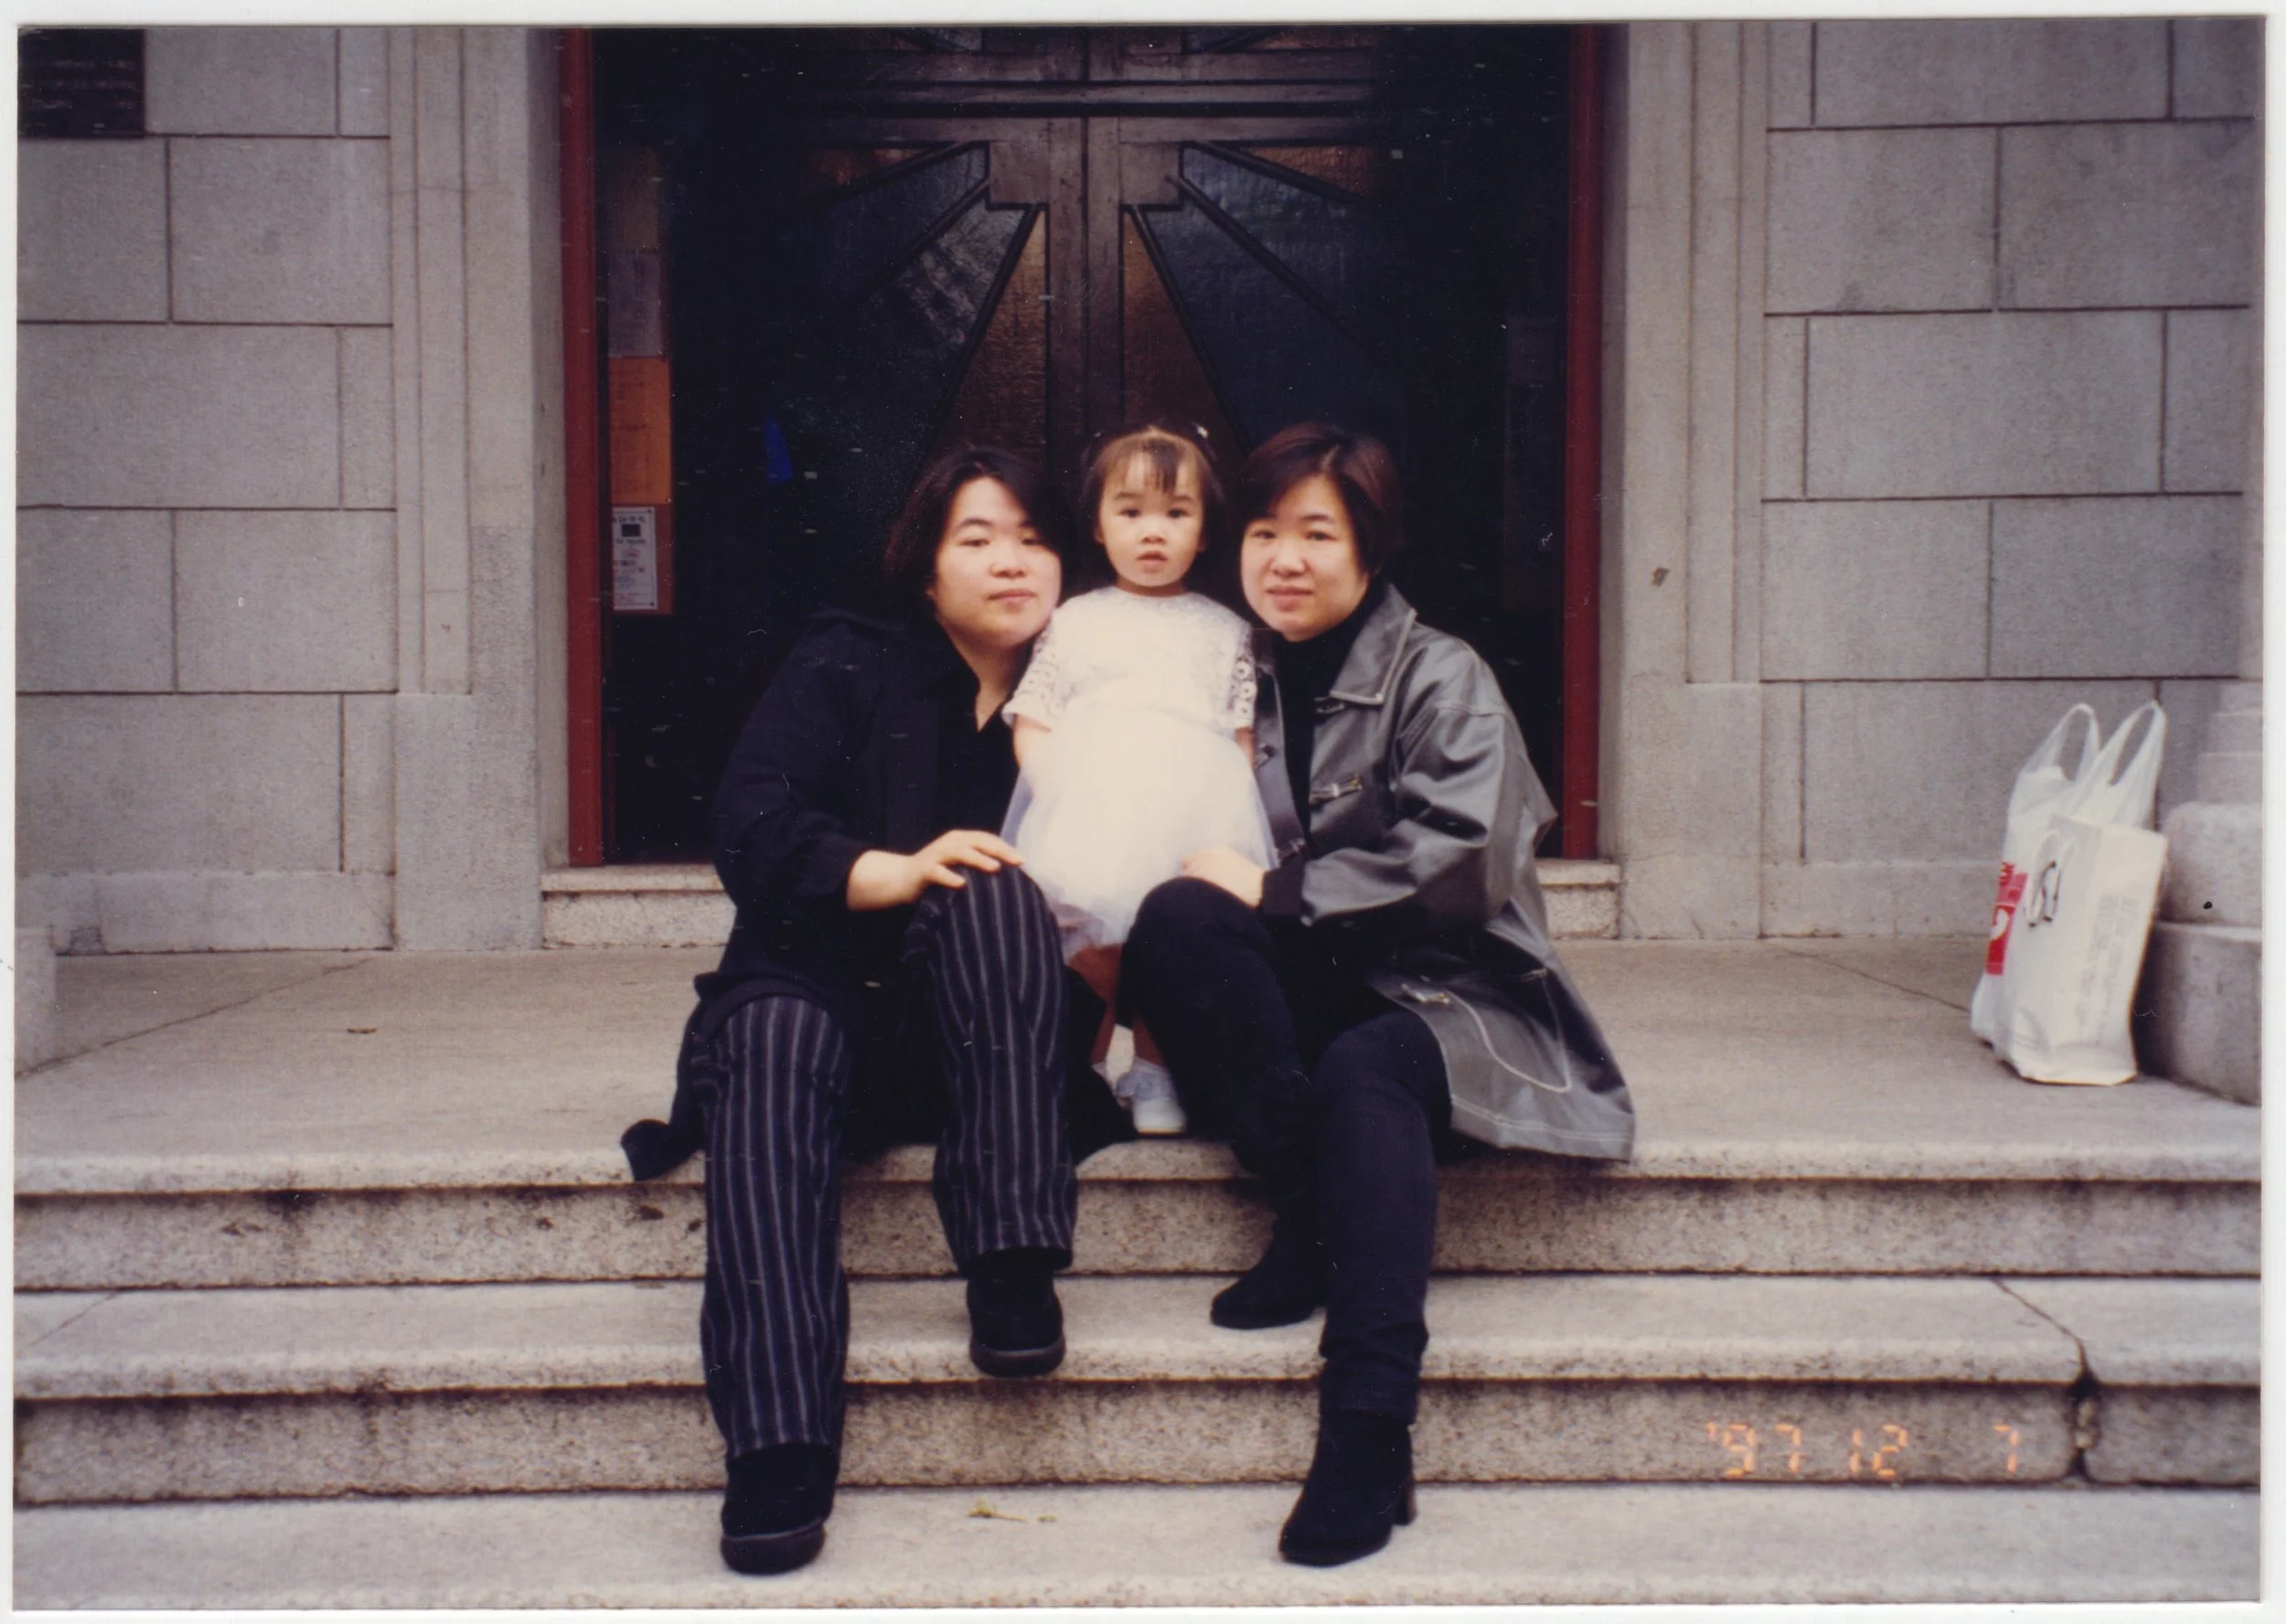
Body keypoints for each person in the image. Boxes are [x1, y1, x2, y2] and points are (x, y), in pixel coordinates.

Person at [1123, 422, 1635, 1568]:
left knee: (1364, 1063)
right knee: (1175, 921)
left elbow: (1466, 858)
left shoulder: (1440, 672)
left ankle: (1366, 1426)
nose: (1284, 559)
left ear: (1369, 547)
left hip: (1453, 994)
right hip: (1319, 980)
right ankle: (1307, 1205)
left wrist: (1280, 890)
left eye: (1317, 532)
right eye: (1263, 532)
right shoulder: (1232, 667)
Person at [620, 446, 1090, 1577]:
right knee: (771, 1039)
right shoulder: (847, 660)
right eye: (975, 537)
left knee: (991, 890)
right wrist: (889, 867)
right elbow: (752, 818)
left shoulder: (1096, 684)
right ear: (925, 568)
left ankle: (1011, 1261)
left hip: (987, 1039)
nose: (1010, 560)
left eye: (1032, 537)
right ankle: (777, 1445)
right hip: (813, 993)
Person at [1001, 422, 1270, 1136]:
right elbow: (1035, 717)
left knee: (1170, 942)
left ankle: (1155, 1069)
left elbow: (1238, 732)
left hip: (1191, 810)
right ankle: (1081, 1067)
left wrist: (1225, 816)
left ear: (1205, 532)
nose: (1153, 532)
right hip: (1093, 808)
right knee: (1092, 941)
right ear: (1097, 525)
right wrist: (1061, 793)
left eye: (1176, 514)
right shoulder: (1073, 621)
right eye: (1131, 512)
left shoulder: (1225, 629)